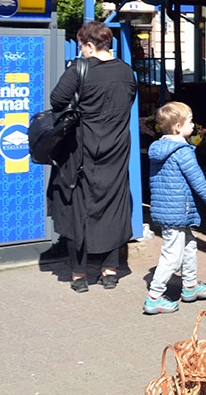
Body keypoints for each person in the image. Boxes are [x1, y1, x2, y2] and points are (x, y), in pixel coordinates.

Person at [48, 20, 138, 293]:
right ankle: (110, 271)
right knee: (113, 206)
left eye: (82, 47)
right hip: (117, 149)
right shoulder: (127, 72)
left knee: (80, 208)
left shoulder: (79, 69)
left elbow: (56, 100)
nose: (81, 52)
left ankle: (78, 274)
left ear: (89, 45)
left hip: (83, 150)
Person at [143, 101, 206, 315]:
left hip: (167, 210)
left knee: (189, 246)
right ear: (178, 127)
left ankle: (190, 286)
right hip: (178, 211)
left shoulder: (158, 149)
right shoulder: (182, 151)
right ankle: (154, 297)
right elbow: (198, 181)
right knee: (173, 255)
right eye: (190, 121)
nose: (194, 125)